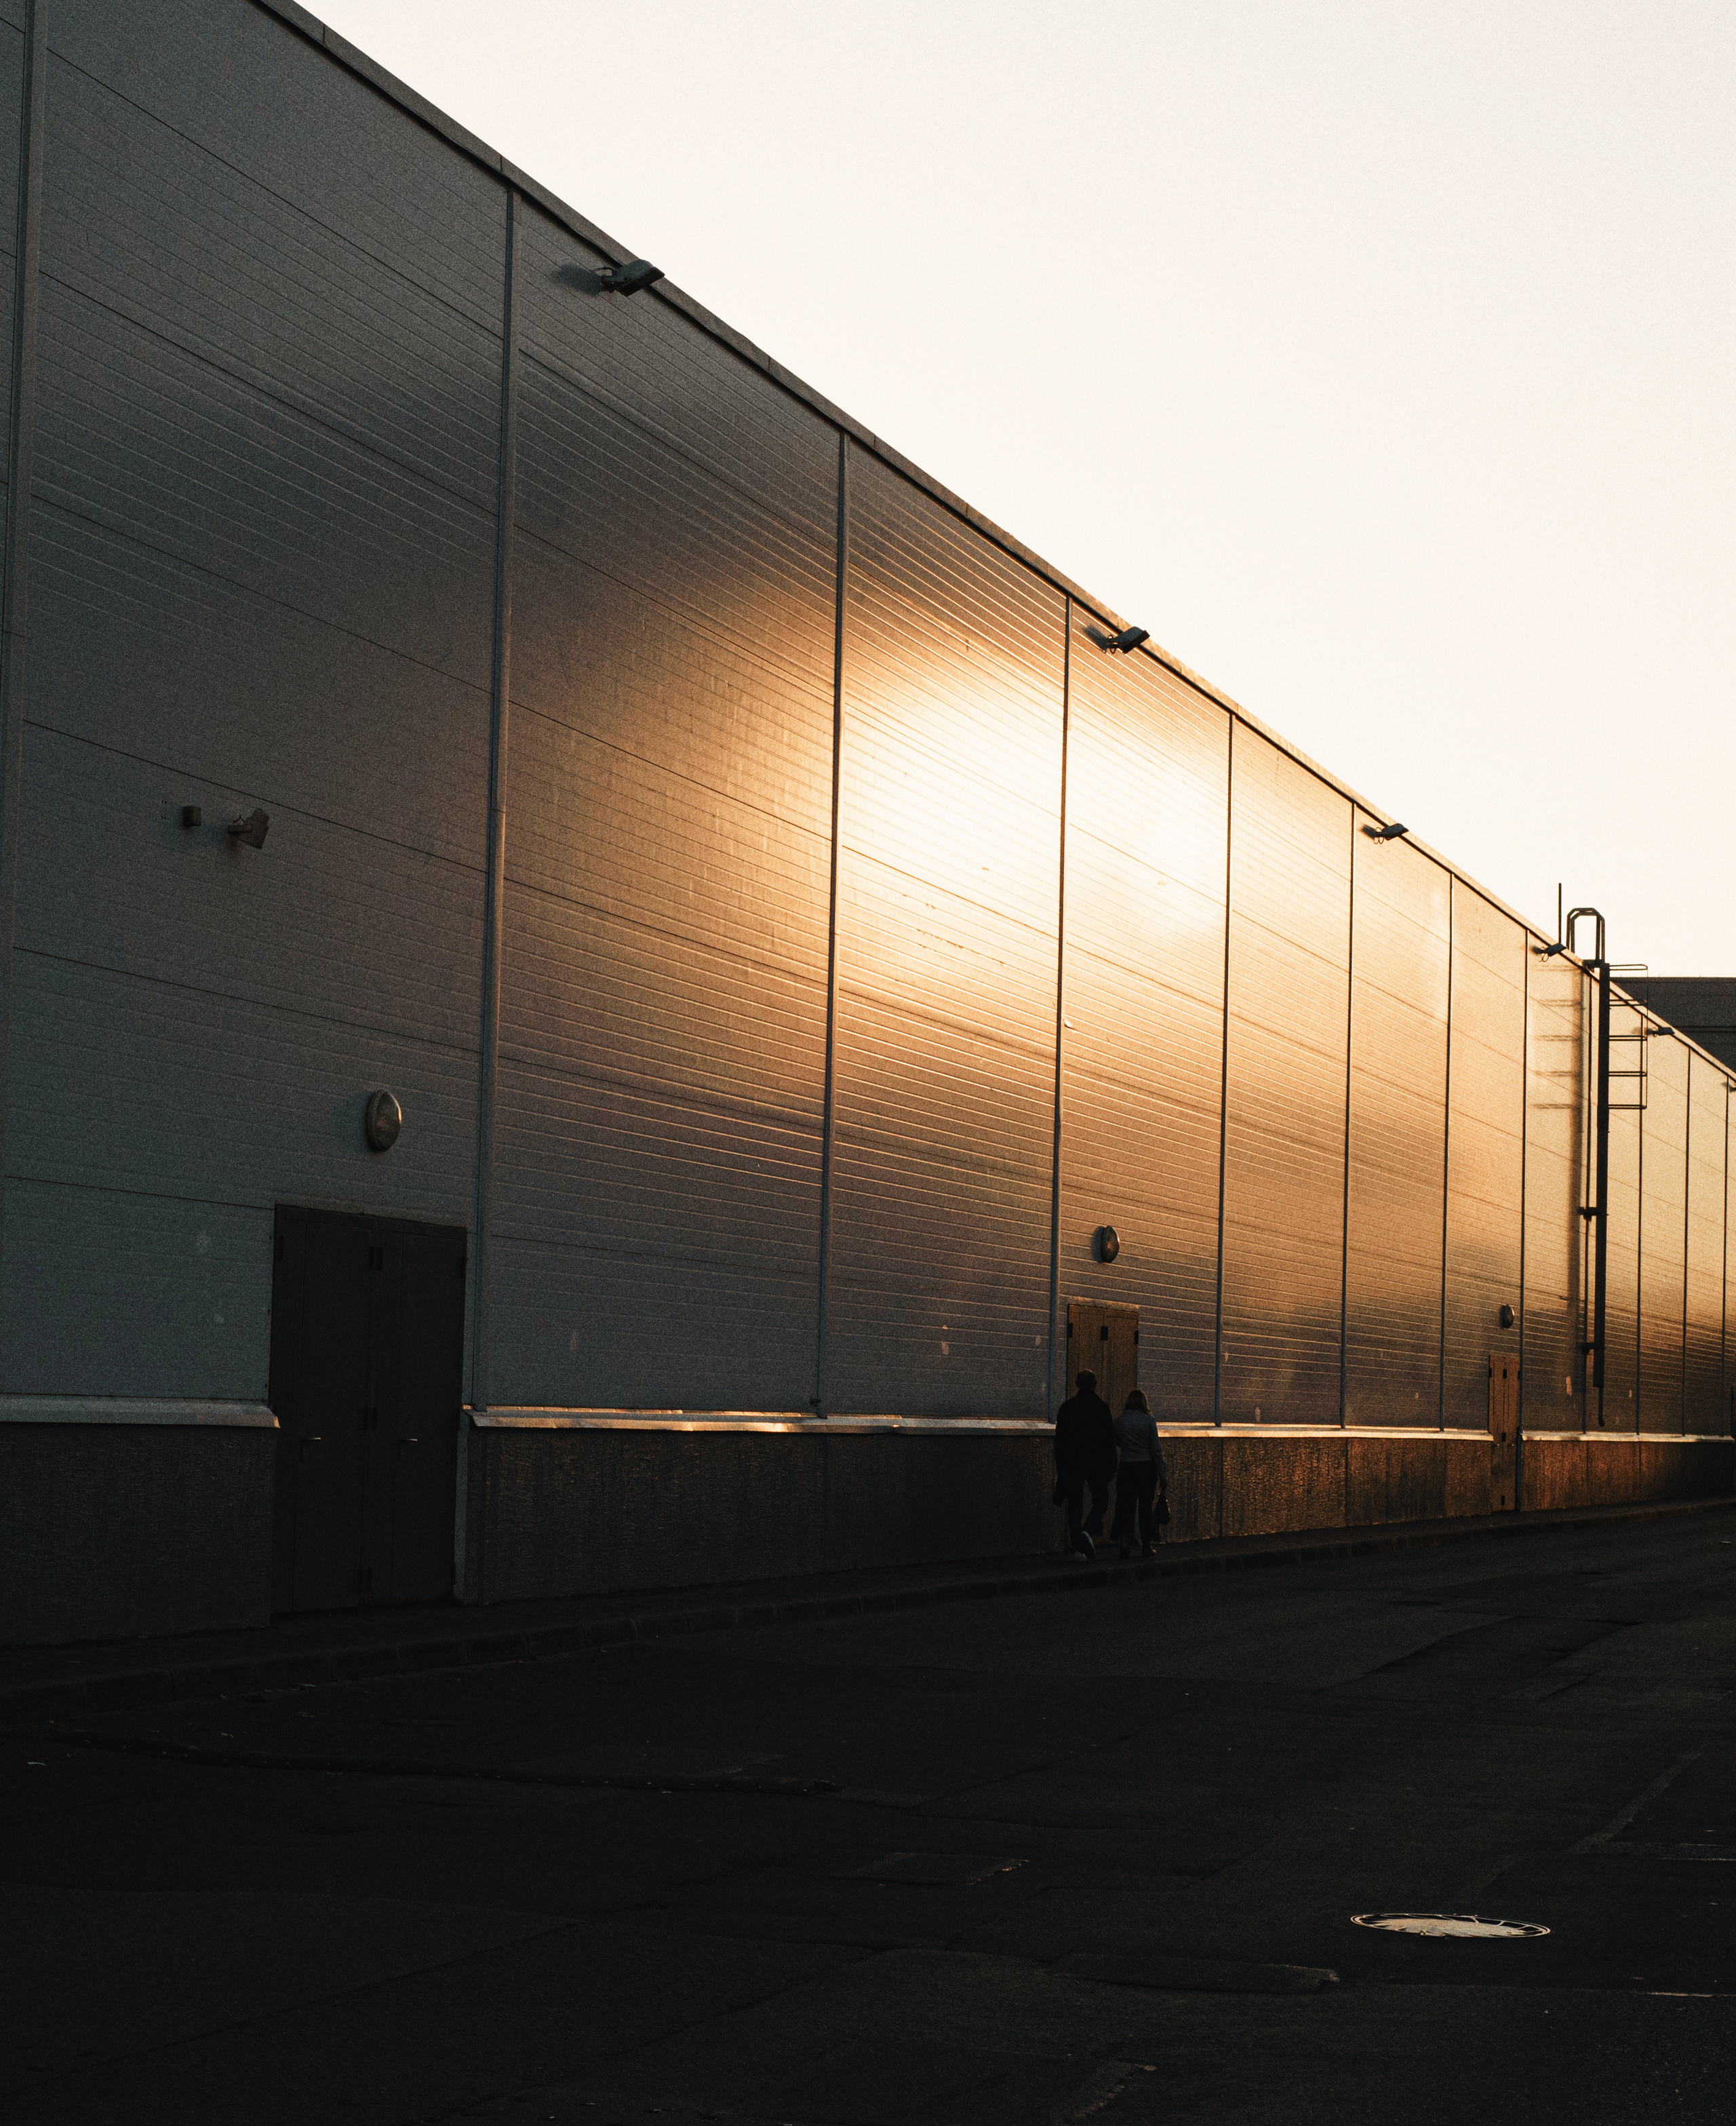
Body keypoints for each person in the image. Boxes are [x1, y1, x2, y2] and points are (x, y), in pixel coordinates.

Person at [1053, 1367, 1117, 1560]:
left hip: (1073, 1463)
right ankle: (1086, 1532)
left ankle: (1078, 1547)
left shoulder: (1067, 1408)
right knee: (1102, 1501)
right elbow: (1109, 1440)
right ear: (1094, 1385)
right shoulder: (1102, 1408)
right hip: (1096, 1462)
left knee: (1075, 1505)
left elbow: (1060, 1441)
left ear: (1076, 1385)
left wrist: (1061, 1468)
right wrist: (1112, 1465)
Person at [1111, 1387, 1168, 1556]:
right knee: (1145, 1508)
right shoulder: (1149, 1421)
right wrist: (1162, 1473)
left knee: (1125, 1506)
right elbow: (1156, 1449)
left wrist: (1129, 1447)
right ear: (1144, 1403)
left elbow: (1116, 1441)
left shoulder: (1119, 1422)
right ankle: (1146, 1546)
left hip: (1127, 1467)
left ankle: (1124, 1543)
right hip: (1146, 1468)